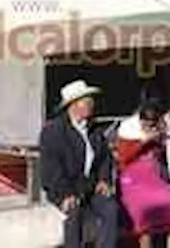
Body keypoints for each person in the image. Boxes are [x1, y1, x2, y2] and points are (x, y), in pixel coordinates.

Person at [39, 80, 120, 248]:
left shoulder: (94, 130)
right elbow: (51, 169)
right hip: (65, 188)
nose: (92, 103)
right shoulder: (54, 131)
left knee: (111, 209)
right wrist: (64, 193)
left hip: (90, 187)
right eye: (87, 100)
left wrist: (104, 180)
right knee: (74, 215)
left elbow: (105, 158)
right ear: (73, 105)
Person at [114, 102, 170, 247]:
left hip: (153, 175)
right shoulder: (128, 131)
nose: (148, 128)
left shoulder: (159, 128)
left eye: (151, 125)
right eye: (146, 124)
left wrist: (161, 137)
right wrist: (143, 141)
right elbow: (124, 157)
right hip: (132, 178)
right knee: (143, 211)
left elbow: (163, 153)